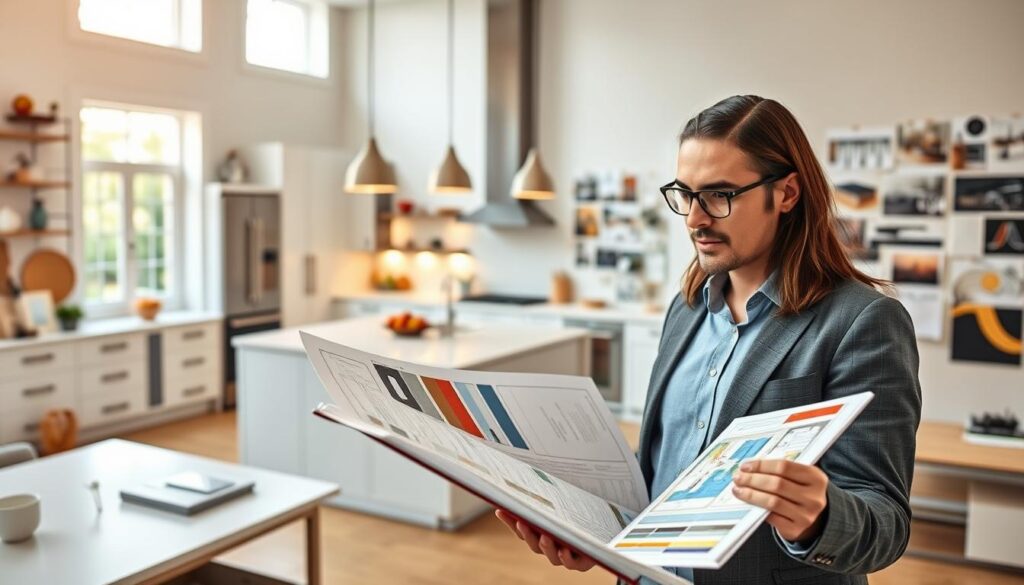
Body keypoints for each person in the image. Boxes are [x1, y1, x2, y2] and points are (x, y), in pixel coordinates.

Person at [496, 95, 922, 585]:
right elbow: (660, 473)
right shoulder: (687, 307)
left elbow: (885, 522)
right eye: (685, 193)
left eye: (720, 195)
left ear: (786, 194)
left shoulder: (863, 321)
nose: (695, 219)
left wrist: (818, 518)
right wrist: (599, 535)